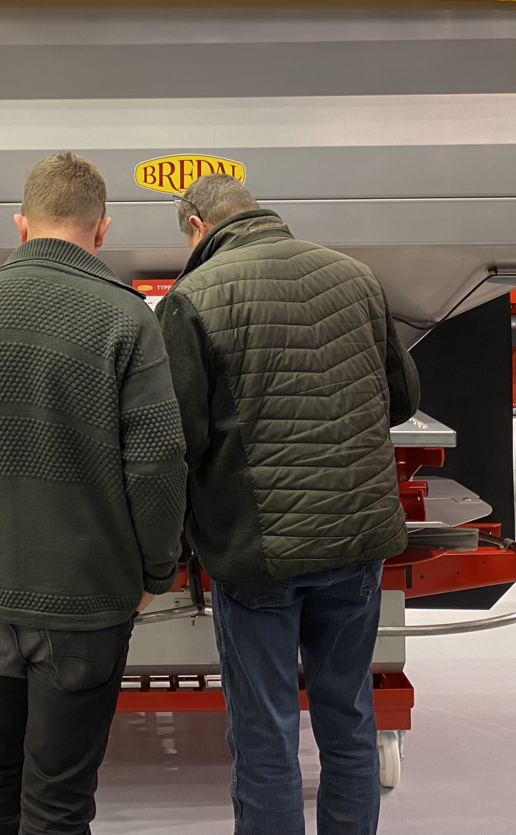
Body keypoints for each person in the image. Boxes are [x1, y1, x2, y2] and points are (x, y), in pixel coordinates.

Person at [0, 151, 187, 835]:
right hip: (85, 596)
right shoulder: (126, 319)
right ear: (101, 229)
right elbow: (158, 463)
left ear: (21, 224)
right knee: (59, 795)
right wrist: (155, 572)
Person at [155, 174, 419, 835]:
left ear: (197, 226)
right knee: (349, 720)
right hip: (357, 543)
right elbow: (403, 400)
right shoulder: (354, 276)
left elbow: (178, 439)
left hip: (260, 550)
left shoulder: (192, 297)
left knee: (266, 736)